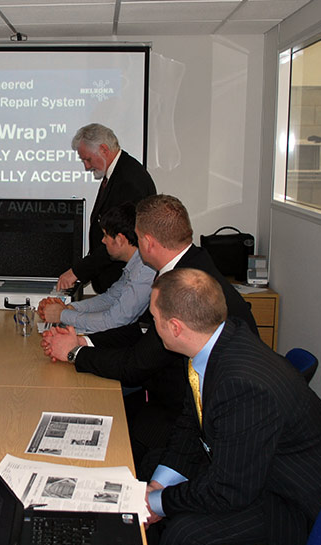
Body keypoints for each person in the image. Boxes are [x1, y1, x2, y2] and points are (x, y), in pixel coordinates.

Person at [143, 268, 321, 545]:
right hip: (258, 469)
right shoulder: (214, 344)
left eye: (154, 318)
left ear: (176, 327)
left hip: (294, 501)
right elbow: (191, 425)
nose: (153, 325)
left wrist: (157, 502)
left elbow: (228, 490)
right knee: (153, 464)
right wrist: (157, 486)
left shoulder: (242, 385)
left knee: (183, 534)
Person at [42, 195, 258, 465]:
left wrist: (74, 353)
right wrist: (84, 343)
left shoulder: (183, 288)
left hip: (193, 416)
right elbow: (140, 333)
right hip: (178, 393)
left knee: (102, 435)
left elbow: (136, 364)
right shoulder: (189, 263)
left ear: (147, 242)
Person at [57, 123, 156, 294]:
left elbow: (119, 238)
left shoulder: (128, 180)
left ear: (103, 149)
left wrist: (77, 272)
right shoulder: (119, 171)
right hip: (114, 280)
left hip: (122, 282)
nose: (86, 167)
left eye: (88, 159)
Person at [38, 202, 154, 333]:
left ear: (120, 239)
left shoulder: (144, 270)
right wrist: (70, 308)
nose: (103, 241)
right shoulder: (135, 264)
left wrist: (62, 315)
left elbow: (114, 321)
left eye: (105, 236)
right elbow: (110, 299)